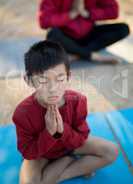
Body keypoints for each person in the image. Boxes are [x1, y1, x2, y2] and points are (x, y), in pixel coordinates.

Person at [12, 40, 118, 184]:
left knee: (111, 151)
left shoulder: (78, 101)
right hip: (41, 154)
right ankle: (69, 163)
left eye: (60, 79)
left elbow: (82, 137)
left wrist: (61, 132)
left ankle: (60, 175)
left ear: (68, 76)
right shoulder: (22, 113)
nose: (53, 88)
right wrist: (50, 134)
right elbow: (28, 152)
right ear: (29, 80)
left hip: (70, 146)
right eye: (43, 81)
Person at [38, 0, 130, 63]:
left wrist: (87, 13)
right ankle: (91, 55)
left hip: (89, 34)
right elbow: (44, 21)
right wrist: (72, 14)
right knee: (52, 34)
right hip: (66, 36)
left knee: (123, 29)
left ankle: (77, 54)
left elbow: (113, 11)